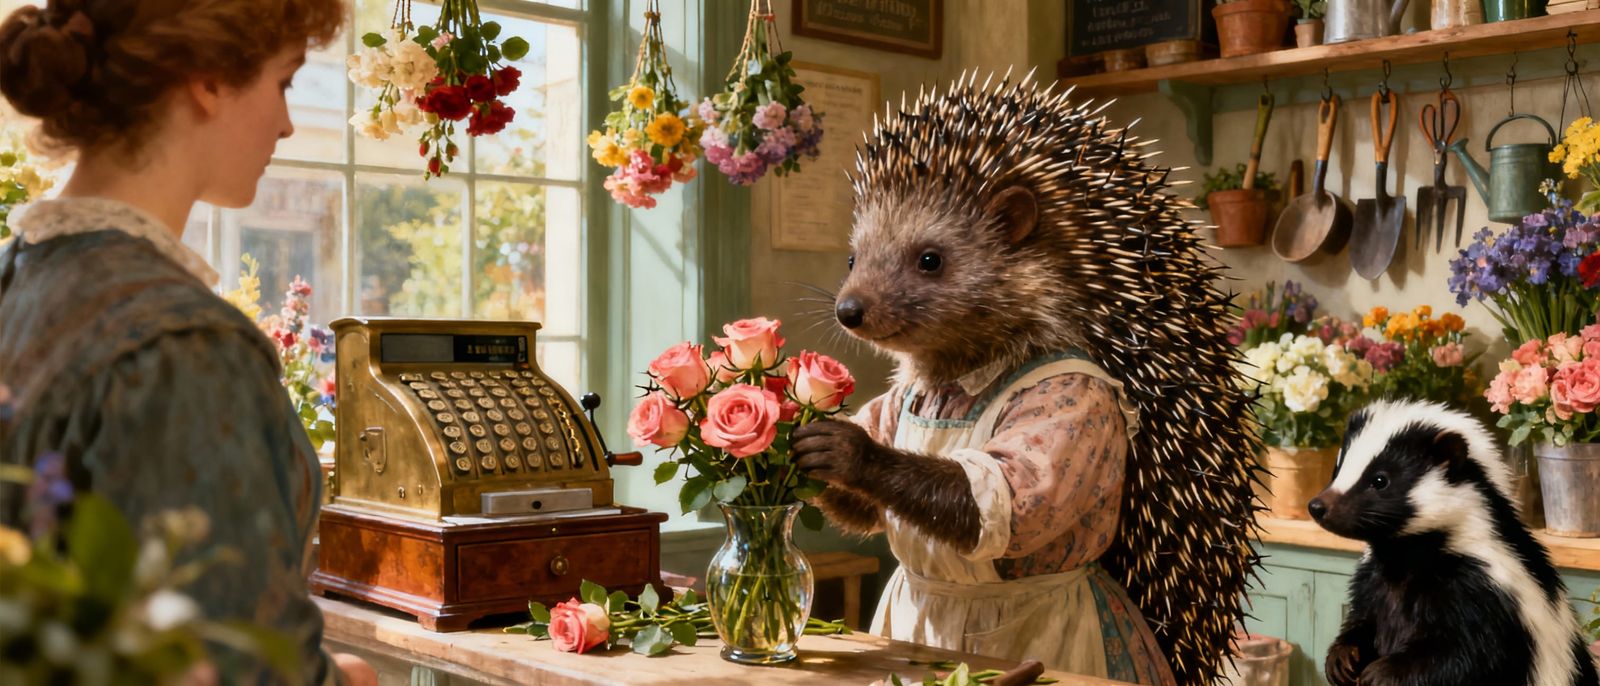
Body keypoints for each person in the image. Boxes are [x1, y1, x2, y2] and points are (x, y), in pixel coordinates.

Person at [0, 2, 375, 684]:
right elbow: (234, 667)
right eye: (283, 81)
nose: (287, 122)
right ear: (207, 79)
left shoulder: (14, 278)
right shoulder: (184, 349)